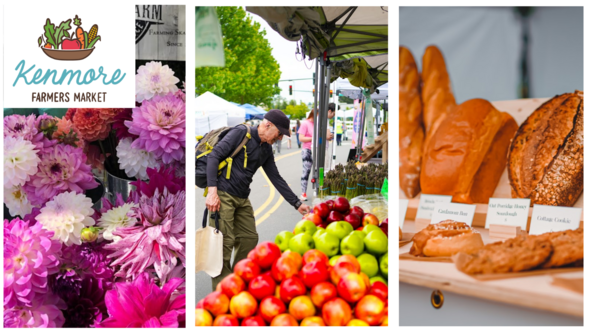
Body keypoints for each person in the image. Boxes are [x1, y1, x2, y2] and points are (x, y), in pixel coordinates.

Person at [205, 110, 312, 289]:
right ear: (268, 125)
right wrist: (212, 192)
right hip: (223, 195)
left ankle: (238, 277)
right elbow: (214, 156)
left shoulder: (266, 148)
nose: (279, 139)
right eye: (279, 134)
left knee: (249, 238)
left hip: (242, 197)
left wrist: (297, 203)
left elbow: (275, 178)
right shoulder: (241, 133)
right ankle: (223, 290)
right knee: (223, 243)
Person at [298, 108, 334, 201]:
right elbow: (301, 138)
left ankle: (320, 189)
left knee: (319, 170)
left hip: (318, 148)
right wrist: (314, 138)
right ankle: (303, 193)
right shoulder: (305, 123)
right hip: (307, 149)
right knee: (306, 171)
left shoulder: (318, 123)